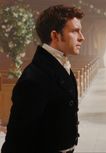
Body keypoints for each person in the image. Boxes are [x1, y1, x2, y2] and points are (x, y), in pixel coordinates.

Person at [1, 5, 85, 153]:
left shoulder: (58, 65)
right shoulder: (34, 78)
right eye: (74, 31)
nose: (82, 37)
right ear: (55, 36)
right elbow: (17, 140)